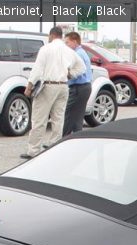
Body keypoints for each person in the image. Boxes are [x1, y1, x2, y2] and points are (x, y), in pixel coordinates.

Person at [21, 27, 85, 160]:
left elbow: (37, 69)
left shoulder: (46, 49)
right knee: (58, 119)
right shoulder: (68, 51)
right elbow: (82, 67)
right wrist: (70, 74)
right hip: (63, 86)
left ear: (51, 35)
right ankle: (54, 147)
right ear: (61, 36)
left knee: (39, 118)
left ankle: (33, 150)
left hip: (48, 86)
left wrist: (29, 86)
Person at [62, 31, 93, 137]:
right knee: (77, 116)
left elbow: (76, 71)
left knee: (68, 114)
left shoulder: (77, 54)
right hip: (84, 87)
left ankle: (63, 139)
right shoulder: (82, 52)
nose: (66, 45)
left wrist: (66, 75)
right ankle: (77, 137)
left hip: (78, 87)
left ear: (74, 42)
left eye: (67, 42)